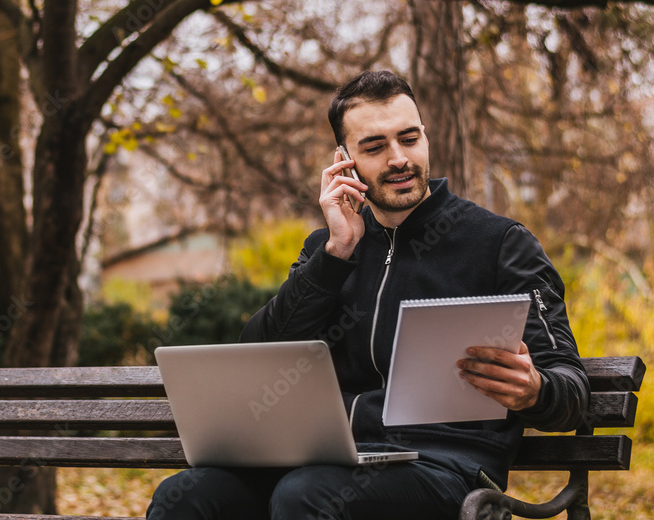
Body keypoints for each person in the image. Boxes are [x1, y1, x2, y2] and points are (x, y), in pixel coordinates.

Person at [147, 70, 589, 520]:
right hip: (328, 461)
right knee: (186, 496)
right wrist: (336, 254)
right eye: (375, 147)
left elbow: (570, 388)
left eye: (409, 138)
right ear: (345, 161)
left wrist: (535, 390)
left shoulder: (500, 243)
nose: (399, 158)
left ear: (426, 138)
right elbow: (260, 351)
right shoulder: (328, 250)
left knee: (305, 494)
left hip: (447, 471)